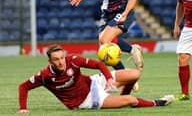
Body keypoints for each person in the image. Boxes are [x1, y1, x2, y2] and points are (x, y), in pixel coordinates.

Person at [18, 45, 174, 113]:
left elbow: (99, 64)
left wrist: (108, 78)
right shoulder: (44, 76)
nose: (61, 62)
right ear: (50, 61)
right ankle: (156, 103)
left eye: (62, 58)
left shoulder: (73, 59)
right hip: (86, 100)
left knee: (134, 74)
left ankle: (123, 97)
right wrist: (23, 108)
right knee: (132, 101)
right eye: (56, 60)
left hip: (93, 82)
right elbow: (23, 87)